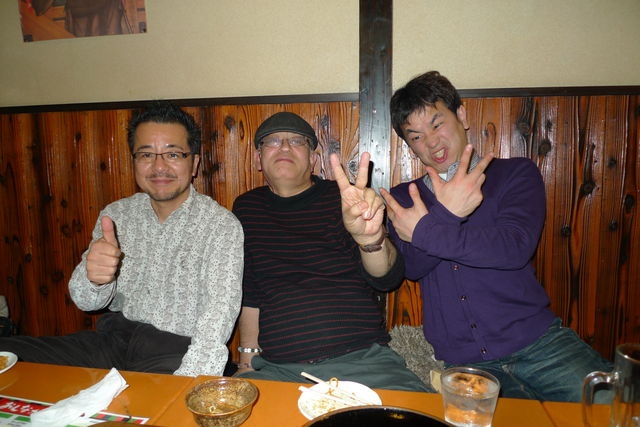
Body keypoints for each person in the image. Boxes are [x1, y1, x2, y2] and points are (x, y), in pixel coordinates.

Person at [380, 70, 613, 402]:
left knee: (612, 407)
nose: (431, 142)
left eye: (437, 124)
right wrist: (447, 216)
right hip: (464, 361)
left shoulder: (514, 173)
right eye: (416, 136)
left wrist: (429, 228)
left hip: (540, 344)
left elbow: (513, 248)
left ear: (461, 116)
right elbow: (412, 267)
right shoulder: (405, 197)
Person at [0, 101, 243, 377]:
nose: (159, 166)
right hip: (113, 341)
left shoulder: (220, 225)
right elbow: (87, 302)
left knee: (145, 401)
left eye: (173, 154)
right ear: (134, 161)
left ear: (194, 163)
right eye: (146, 154)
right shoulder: (116, 215)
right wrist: (95, 280)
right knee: (9, 352)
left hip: (175, 350)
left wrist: (187, 383)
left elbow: (218, 317)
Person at [231, 111, 430, 392]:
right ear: (257, 159)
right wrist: (247, 362)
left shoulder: (345, 198)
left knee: (417, 410)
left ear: (313, 160)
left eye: (297, 141)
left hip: (363, 361)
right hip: (279, 369)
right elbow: (251, 290)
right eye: (273, 141)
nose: (285, 147)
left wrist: (370, 239)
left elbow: (386, 278)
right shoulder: (247, 208)